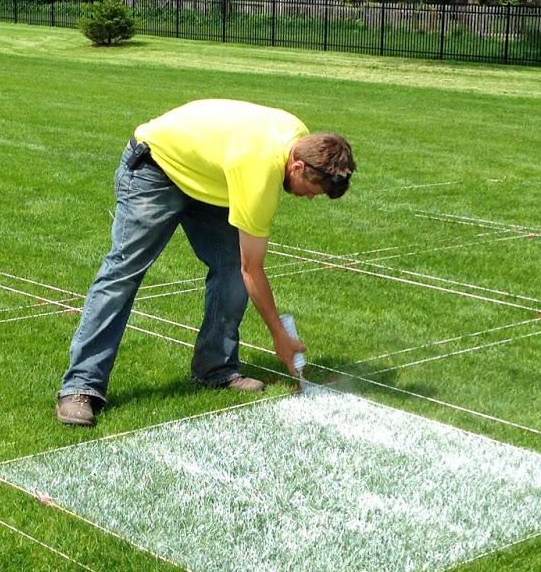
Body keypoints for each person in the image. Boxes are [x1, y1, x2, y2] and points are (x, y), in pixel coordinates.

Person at [55, 98, 356, 427]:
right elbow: (252, 269)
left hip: (208, 180)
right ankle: (81, 386)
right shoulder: (259, 170)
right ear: (297, 167)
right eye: (312, 189)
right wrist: (279, 337)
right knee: (122, 274)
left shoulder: (302, 139)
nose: (310, 197)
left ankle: (215, 368)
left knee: (230, 269)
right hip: (156, 168)